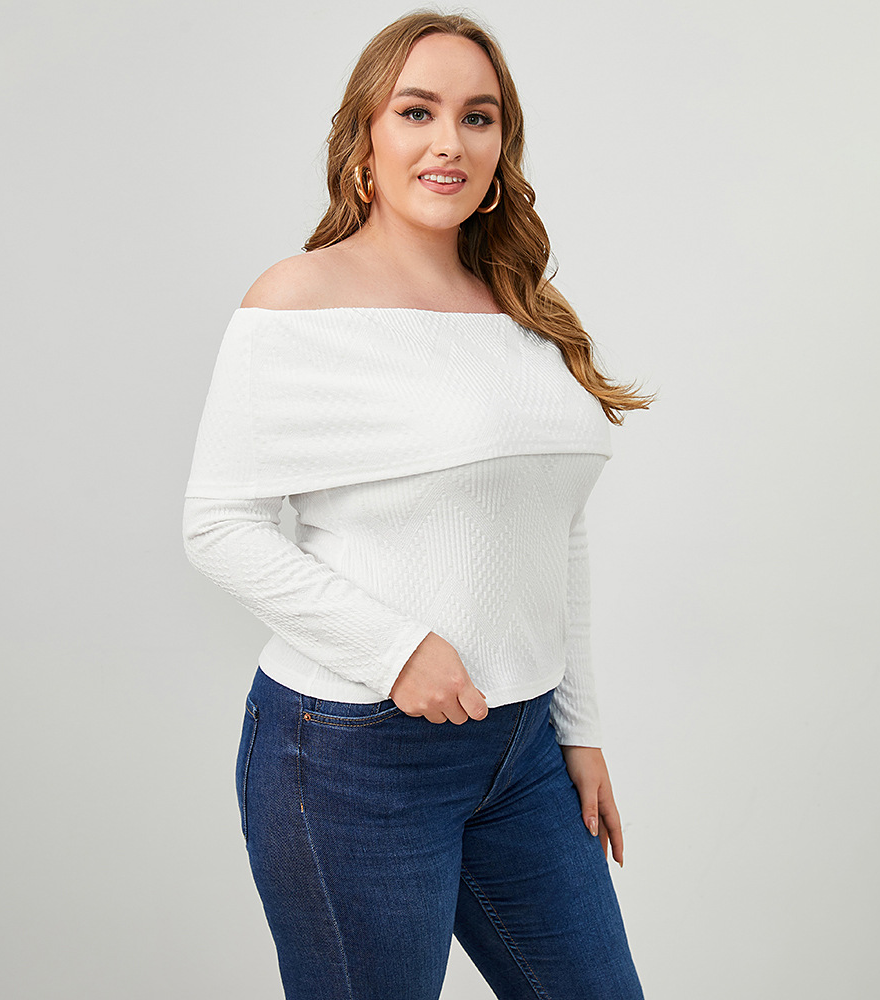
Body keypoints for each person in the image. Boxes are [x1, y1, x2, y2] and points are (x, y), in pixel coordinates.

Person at [182, 10, 654, 999]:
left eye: (478, 117)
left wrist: (578, 726)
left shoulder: (524, 310)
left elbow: (555, 526)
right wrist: (397, 649)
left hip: (522, 750)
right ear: (364, 139)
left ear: (500, 148)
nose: (450, 142)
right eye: (416, 111)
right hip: (353, 754)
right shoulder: (299, 300)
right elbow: (218, 525)